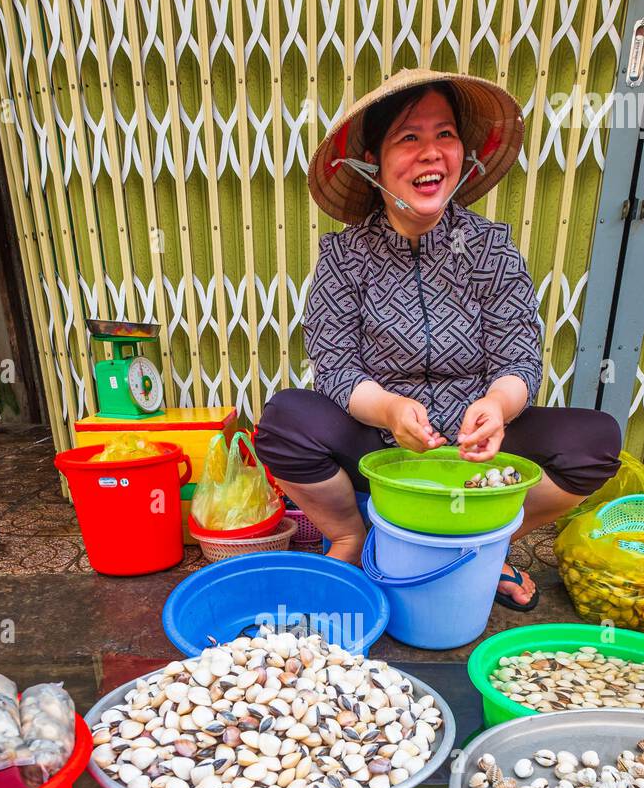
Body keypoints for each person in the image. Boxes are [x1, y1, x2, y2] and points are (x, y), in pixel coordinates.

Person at [254, 68, 621, 610]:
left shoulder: (491, 247)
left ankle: (485, 546)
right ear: (375, 162)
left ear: (463, 155)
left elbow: (519, 354)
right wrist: (391, 410)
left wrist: (497, 406)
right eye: (409, 137)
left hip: (479, 452)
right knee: (285, 421)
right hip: (380, 443)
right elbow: (336, 367)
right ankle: (354, 537)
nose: (431, 153)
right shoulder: (343, 256)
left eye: (444, 135)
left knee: (596, 441)